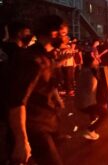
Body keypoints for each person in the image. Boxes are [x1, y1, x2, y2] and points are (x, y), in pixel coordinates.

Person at [8, 15, 68, 165]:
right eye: (64, 34)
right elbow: (17, 101)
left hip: (47, 125)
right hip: (34, 129)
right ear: (54, 34)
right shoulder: (33, 61)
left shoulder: (45, 56)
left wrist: (56, 98)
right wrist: (21, 141)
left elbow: (44, 84)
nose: (67, 39)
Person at [75, 53, 105, 140]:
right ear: (91, 62)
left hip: (80, 102)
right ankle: (90, 130)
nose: (97, 60)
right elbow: (92, 89)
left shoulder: (83, 70)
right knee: (105, 113)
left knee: (96, 109)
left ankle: (92, 127)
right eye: (95, 59)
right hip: (86, 104)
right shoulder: (91, 72)